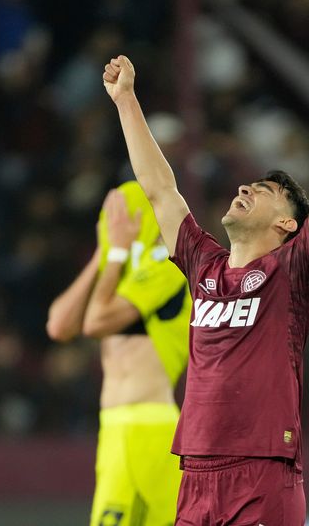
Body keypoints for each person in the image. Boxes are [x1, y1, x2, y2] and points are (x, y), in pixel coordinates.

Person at [103, 54, 309, 525]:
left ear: (287, 224)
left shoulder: (293, 269)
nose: (245, 188)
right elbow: (160, 189)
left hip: (261, 470)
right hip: (195, 469)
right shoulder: (203, 263)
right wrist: (126, 99)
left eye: (264, 191)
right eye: (248, 185)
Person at [47, 181, 191, 526]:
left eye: (118, 215)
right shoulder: (118, 269)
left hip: (152, 426)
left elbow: (96, 322)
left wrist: (114, 256)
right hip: (113, 427)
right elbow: (59, 326)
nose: (109, 223)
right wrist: (104, 253)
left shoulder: (168, 266)